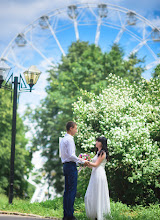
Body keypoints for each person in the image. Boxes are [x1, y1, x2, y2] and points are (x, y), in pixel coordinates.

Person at [60, 121, 89, 220]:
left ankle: (66, 214)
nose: (76, 131)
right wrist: (81, 161)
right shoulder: (70, 139)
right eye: (75, 129)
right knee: (72, 190)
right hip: (71, 166)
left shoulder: (63, 139)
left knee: (67, 191)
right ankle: (70, 215)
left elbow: (65, 155)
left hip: (65, 165)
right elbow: (72, 155)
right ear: (71, 128)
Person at [85, 136, 111, 220]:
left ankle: (99, 214)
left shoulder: (103, 153)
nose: (96, 142)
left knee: (98, 193)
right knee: (90, 195)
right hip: (94, 174)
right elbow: (93, 166)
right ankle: (94, 214)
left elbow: (96, 165)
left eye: (97, 141)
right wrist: (85, 163)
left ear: (101, 143)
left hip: (99, 174)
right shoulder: (98, 152)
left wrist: (86, 162)